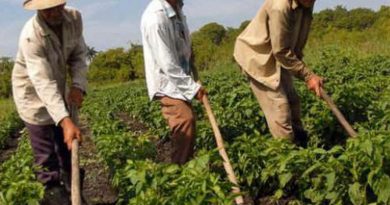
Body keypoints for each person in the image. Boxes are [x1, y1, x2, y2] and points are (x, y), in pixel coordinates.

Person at [12, 0, 87, 203]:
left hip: (58, 90)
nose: (53, 12)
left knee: (66, 149)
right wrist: (65, 120)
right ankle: (53, 192)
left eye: (56, 6)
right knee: (46, 156)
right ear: (38, 9)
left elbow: (79, 54)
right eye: (46, 9)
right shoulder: (31, 36)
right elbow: (43, 82)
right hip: (33, 96)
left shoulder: (74, 18)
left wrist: (78, 85)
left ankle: (74, 192)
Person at [234, 0, 324, 146]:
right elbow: (280, 51)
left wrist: (303, 70)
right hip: (257, 57)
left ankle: (302, 147)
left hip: (279, 57)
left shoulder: (306, 4)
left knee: (293, 102)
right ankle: (287, 157)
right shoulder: (279, 6)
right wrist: (308, 76)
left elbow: (298, 38)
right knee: (280, 109)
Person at [141, 0, 207, 165]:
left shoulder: (177, 7)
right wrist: (193, 88)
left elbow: (181, 38)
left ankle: (186, 165)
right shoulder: (155, 18)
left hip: (180, 76)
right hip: (167, 83)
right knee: (185, 120)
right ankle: (179, 173)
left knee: (187, 125)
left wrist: (189, 53)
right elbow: (167, 63)